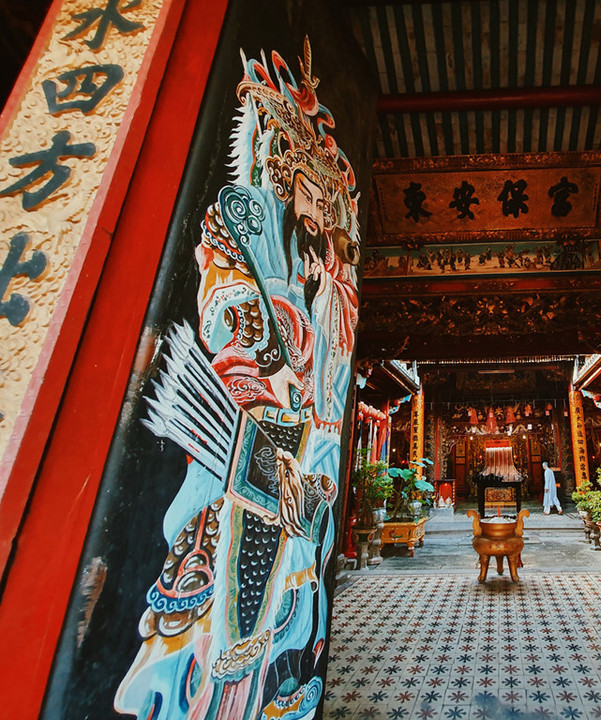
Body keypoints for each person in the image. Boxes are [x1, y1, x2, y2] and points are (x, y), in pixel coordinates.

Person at [115, 38, 360, 720]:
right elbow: (231, 327)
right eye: (318, 192)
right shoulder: (241, 221)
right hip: (251, 429)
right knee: (232, 588)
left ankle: (272, 685)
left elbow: (316, 363)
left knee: (296, 571)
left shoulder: (305, 256)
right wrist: (269, 411)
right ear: (285, 168)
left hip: (297, 432)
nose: (326, 213)